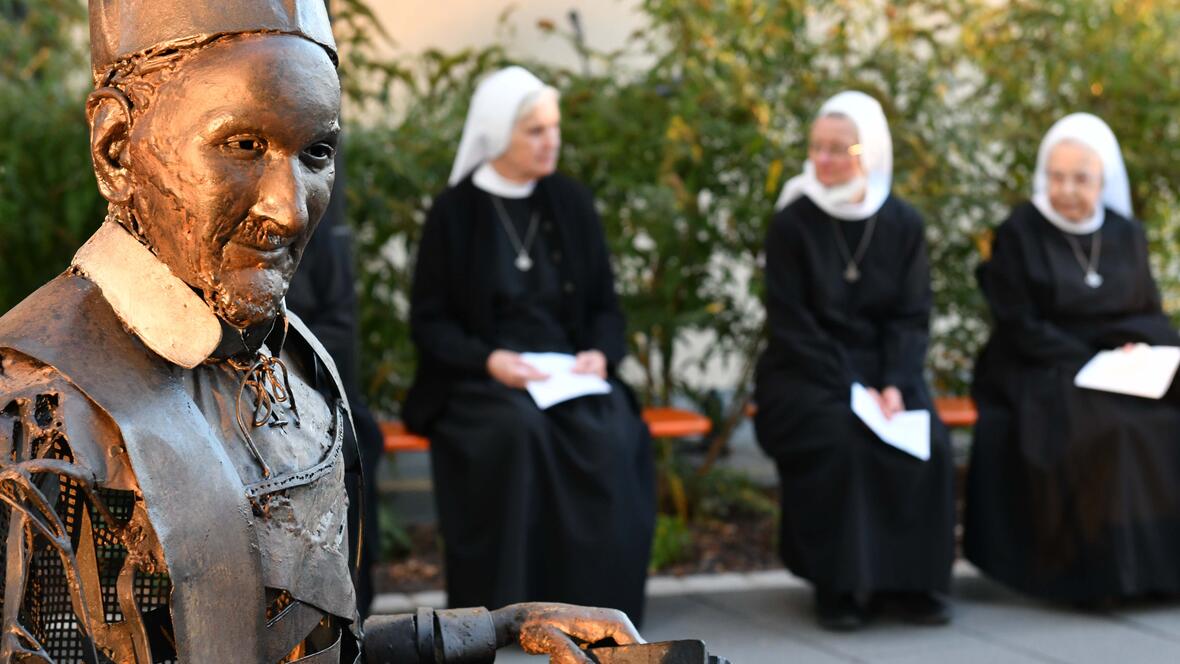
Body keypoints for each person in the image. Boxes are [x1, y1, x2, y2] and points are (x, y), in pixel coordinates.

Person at [0, 2, 644, 661]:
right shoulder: (35, 411)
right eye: (243, 146)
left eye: (317, 152)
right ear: (116, 147)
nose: (289, 209)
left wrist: (504, 625)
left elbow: (318, 650)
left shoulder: (297, 369)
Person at [404, 66, 656, 624]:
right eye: (536, 131)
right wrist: (489, 360)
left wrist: (600, 354)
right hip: (479, 378)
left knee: (612, 433)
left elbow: (605, 306)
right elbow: (430, 321)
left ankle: (596, 608)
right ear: (498, 133)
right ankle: (506, 611)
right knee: (516, 433)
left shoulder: (570, 201)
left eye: (555, 128)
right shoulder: (455, 212)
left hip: (566, 373)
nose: (551, 141)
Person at [754, 91, 955, 630]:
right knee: (842, 438)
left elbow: (911, 315)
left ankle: (911, 584)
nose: (823, 160)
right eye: (816, 147)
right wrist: (850, 385)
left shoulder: (903, 222)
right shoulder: (792, 223)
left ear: (872, 151)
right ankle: (839, 586)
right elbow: (791, 322)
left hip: (886, 368)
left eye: (838, 149)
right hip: (805, 369)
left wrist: (894, 383)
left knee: (927, 439)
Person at [965, 113, 1180, 604]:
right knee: (1112, 429)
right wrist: (1087, 360)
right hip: (1041, 362)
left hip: (1118, 365)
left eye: (1080, 179)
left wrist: (1138, 348)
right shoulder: (1020, 231)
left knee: (1164, 420)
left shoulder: (1126, 233)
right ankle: (1104, 576)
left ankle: (1161, 573)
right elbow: (1017, 322)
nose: (1066, 190)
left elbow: (1147, 310)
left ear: (1103, 180)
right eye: (1056, 177)